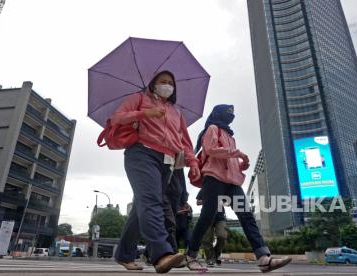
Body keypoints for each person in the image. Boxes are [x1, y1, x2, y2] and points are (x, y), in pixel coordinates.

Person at [112, 71, 200, 274]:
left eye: (171, 83)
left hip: (168, 161)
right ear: (153, 84)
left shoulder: (176, 111)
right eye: (163, 82)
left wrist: (193, 162)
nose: (167, 86)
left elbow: (185, 141)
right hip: (142, 154)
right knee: (153, 202)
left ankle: (124, 254)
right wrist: (145, 113)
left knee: (141, 207)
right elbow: (117, 118)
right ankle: (161, 254)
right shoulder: (139, 98)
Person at [185, 104, 292, 273]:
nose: (231, 116)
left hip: (232, 182)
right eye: (228, 113)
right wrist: (237, 153)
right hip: (213, 178)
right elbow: (211, 150)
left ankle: (263, 257)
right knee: (207, 216)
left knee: (247, 216)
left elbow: (229, 161)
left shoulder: (229, 135)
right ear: (218, 113)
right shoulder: (212, 128)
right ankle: (191, 255)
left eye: (233, 114)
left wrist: (242, 165)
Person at [196, 189, 227, 267]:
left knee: (222, 236)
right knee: (206, 239)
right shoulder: (203, 189)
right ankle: (210, 258)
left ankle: (216, 255)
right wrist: (208, 200)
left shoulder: (221, 189)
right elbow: (198, 202)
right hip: (206, 216)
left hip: (220, 217)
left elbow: (226, 202)